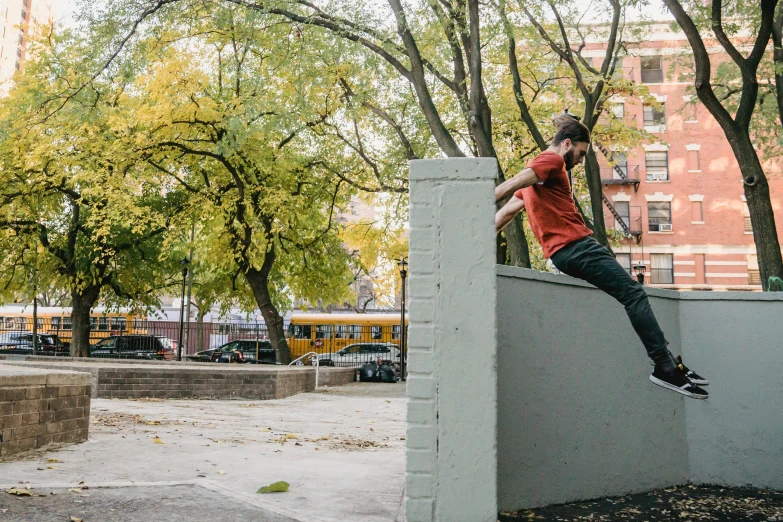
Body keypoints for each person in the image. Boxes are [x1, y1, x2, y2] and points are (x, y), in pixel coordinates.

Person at [495, 115, 709, 399]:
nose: (581, 161)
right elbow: (513, 182)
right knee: (634, 295)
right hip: (577, 246)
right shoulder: (552, 160)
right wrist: (483, 194)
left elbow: (507, 212)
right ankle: (664, 367)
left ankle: (670, 362)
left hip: (564, 254)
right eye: (581, 153)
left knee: (630, 294)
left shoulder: (538, 179)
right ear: (567, 144)